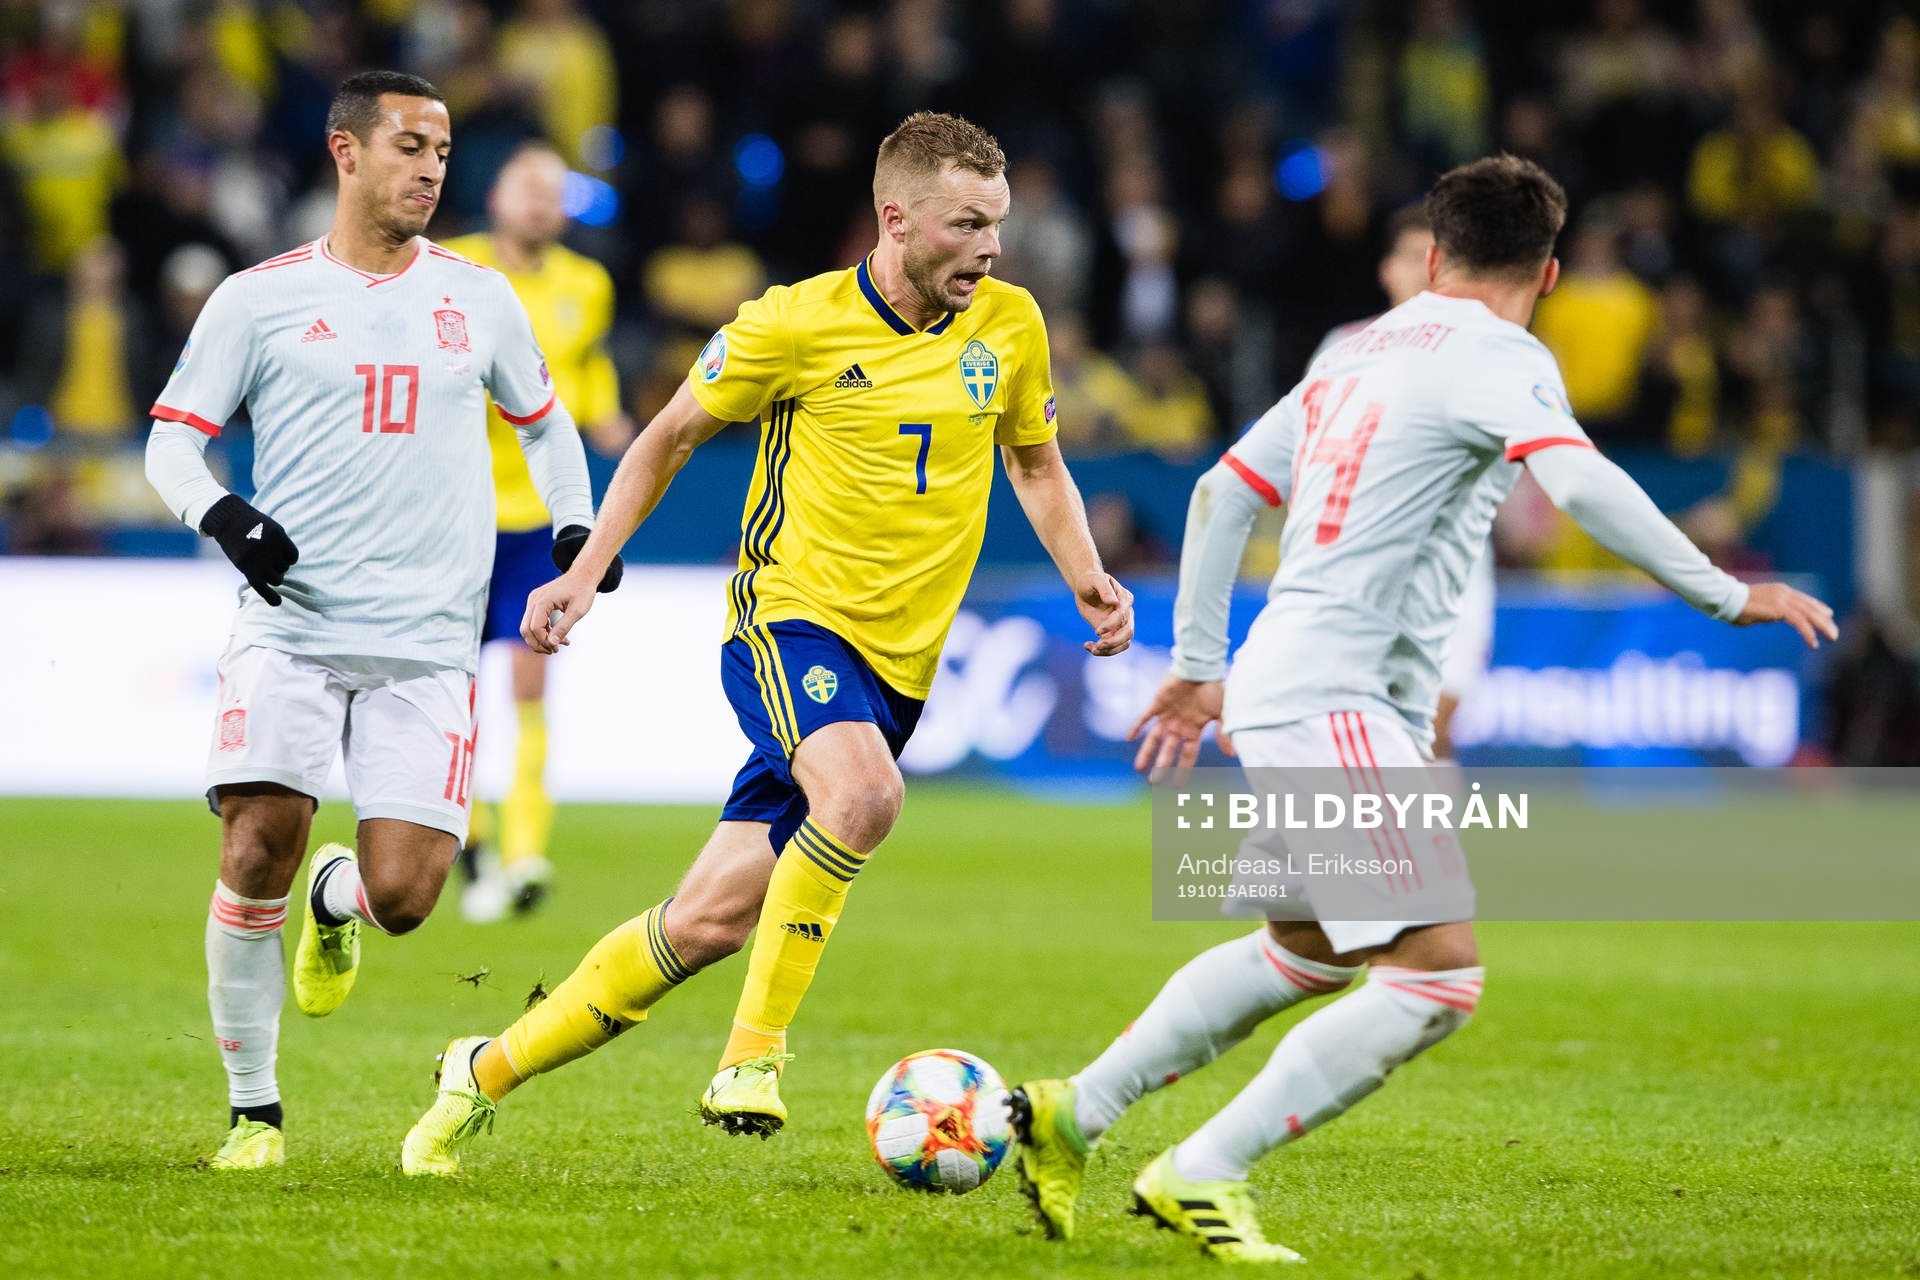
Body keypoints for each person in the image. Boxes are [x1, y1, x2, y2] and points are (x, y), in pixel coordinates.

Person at [1010, 154, 1836, 1262]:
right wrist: (1729, 591)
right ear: (1547, 273)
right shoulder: (1506, 355)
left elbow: (1219, 492)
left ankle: (1077, 1109)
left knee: (1305, 948)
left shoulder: (1360, 349)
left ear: (1434, 253)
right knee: (1439, 974)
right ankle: (1199, 1169)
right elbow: (1580, 483)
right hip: (1339, 692)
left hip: (1294, 680)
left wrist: (1203, 664)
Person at [400, 111, 1135, 1177]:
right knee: (867, 798)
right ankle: (751, 1056)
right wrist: (581, 569)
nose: (991, 247)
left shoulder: (1010, 325)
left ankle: (484, 1067)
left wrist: (1086, 576)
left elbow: (1033, 462)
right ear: (897, 216)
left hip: (901, 667)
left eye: (998, 224)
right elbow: (668, 436)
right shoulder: (794, 323)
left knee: (704, 923)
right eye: (969, 224)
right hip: (789, 623)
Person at [142, 70, 616, 1172]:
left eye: (443, 149)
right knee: (257, 838)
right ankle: (253, 1112)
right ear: (345, 153)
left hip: (427, 640)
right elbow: (171, 438)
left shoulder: (481, 296)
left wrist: (575, 529)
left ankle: (335, 898)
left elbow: (547, 426)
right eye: (410, 145)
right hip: (289, 625)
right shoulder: (258, 297)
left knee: (405, 894)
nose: (432, 166)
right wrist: (226, 516)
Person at [441, 143, 635, 923]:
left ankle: (524, 852)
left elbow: (585, 367)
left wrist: (605, 414)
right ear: (496, 197)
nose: (541, 204)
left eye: (554, 193)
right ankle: (471, 838)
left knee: (530, 680)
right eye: (528, 188)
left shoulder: (588, 286)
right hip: (452, 516)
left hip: (536, 523)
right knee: (451, 691)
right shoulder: (448, 270)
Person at [1312, 207, 1492, 759]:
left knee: (1433, 729)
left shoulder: (1485, 350)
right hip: (1360, 569)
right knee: (1353, 736)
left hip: (1451, 570)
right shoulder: (1342, 349)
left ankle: (1427, 847)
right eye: (1415, 257)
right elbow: (1312, 456)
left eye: (1439, 260)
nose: (1426, 271)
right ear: (1387, 270)